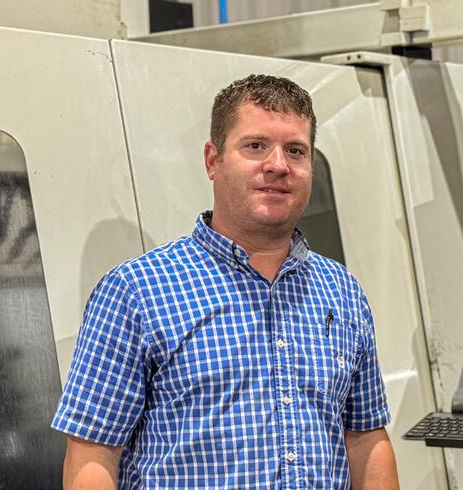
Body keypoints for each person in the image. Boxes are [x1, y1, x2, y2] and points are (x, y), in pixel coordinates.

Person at [51, 74, 399, 489]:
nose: (278, 165)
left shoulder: (341, 291)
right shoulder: (136, 292)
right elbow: (93, 455)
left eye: (295, 150)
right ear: (213, 160)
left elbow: (366, 438)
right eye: (255, 146)